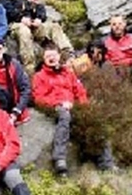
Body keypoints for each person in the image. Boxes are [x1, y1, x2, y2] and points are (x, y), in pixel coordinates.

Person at [32, 45, 89, 177]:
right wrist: (59, 103)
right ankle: (59, 158)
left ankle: (106, 162)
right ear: (44, 59)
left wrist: (83, 107)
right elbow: (39, 98)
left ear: (59, 56)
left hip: (71, 105)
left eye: (54, 55)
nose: (51, 58)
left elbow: (80, 92)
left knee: (94, 121)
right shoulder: (39, 76)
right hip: (53, 108)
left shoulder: (68, 73)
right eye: (48, 56)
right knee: (65, 115)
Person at [0, 0, 73, 70]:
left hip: (33, 25)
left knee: (54, 26)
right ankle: (29, 66)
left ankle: (68, 53)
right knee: (24, 31)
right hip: (15, 24)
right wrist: (20, 18)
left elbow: (41, 10)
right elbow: (6, 9)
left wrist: (39, 19)